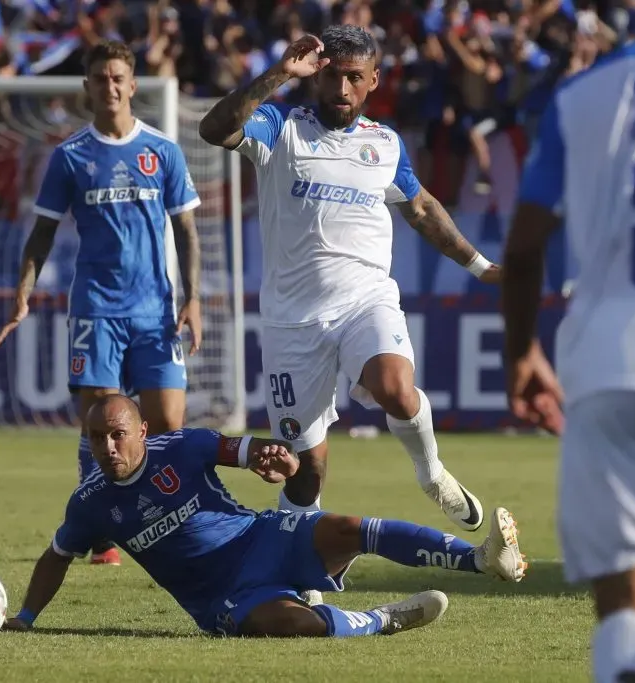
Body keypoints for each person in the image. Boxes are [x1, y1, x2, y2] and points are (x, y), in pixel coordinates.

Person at [197, 25, 500, 603]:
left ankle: (431, 472)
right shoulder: (280, 127)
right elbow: (215, 129)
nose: (341, 87)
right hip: (292, 323)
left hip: (366, 299)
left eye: (354, 78)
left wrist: (484, 268)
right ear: (320, 72)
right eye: (333, 74)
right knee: (303, 469)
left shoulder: (384, 143)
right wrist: (282, 71)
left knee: (397, 390)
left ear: (373, 82)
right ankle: (305, 579)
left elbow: (422, 207)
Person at [2, 394, 526, 638]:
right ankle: (384, 620)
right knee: (282, 623)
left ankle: (481, 559)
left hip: (262, 538)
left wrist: (276, 460)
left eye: (118, 434)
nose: (108, 446)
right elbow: (58, 555)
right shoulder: (91, 500)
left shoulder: (184, 446)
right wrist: (24, 618)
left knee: (348, 528)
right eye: (97, 437)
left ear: (142, 432)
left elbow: (250, 451)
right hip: (219, 597)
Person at [501, 2, 635, 681]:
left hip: (609, 361)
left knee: (622, 588)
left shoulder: (584, 92)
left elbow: (522, 249)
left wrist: (522, 352)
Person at [0, 40, 203, 567]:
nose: (109, 87)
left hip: (156, 312)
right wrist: (22, 294)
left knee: (169, 426)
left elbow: (186, 230)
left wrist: (194, 298)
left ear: (132, 85)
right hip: (96, 310)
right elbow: (41, 233)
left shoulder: (163, 151)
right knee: (101, 423)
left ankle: (169, 522)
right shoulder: (70, 157)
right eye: (99, 79)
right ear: (86, 87)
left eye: (117, 78)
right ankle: (102, 529)